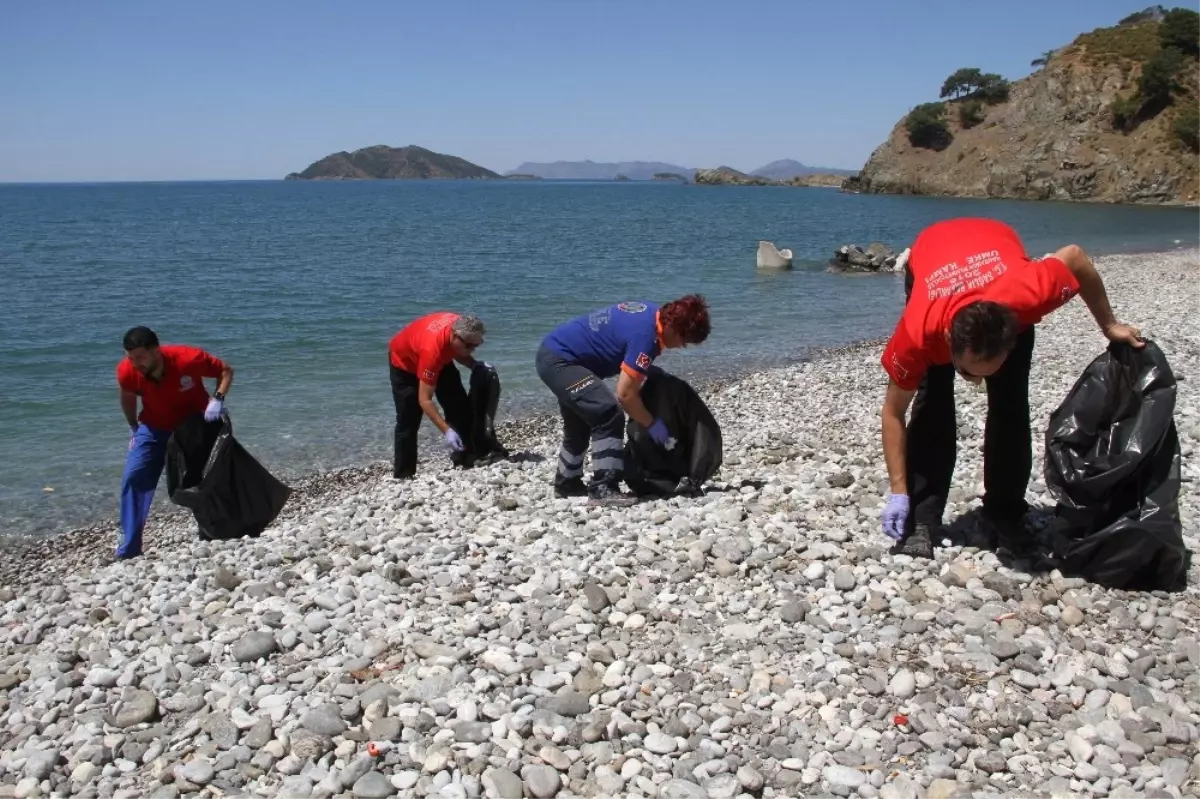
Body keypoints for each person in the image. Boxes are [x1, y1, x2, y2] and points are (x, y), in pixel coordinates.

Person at [878, 218, 1144, 558]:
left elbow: (1075, 258)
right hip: (932, 250)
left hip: (997, 252)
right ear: (948, 341)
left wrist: (1110, 325)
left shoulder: (1027, 297)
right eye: (968, 372)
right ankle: (922, 518)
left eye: (988, 371)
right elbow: (893, 412)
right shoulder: (919, 333)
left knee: (1010, 402)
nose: (975, 382)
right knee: (932, 403)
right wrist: (899, 492)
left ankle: (1005, 511)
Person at [536, 295, 711, 506]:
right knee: (608, 413)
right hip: (561, 361)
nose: (682, 346)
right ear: (674, 328)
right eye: (685, 341)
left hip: (554, 353)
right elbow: (626, 396)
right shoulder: (646, 338)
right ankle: (603, 487)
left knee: (579, 424)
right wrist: (655, 428)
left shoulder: (653, 314)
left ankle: (567, 483)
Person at [116, 326, 234, 559]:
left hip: (194, 425)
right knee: (134, 478)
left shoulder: (188, 359)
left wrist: (218, 399)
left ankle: (211, 532)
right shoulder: (127, 371)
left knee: (201, 480)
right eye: (131, 358)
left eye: (140, 357)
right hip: (153, 428)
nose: (136, 363)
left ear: (156, 351)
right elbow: (128, 398)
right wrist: (133, 427)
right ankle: (129, 549)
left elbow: (226, 371)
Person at [388, 312, 488, 479]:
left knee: (459, 406)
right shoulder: (432, 352)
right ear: (454, 336)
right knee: (409, 418)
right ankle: (403, 475)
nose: (472, 350)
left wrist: (474, 365)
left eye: (476, 346)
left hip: (440, 356)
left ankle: (465, 456)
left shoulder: (461, 325)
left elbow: (459, 351)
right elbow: (425, 400)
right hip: (404, 365)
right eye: (470, 346)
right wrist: (446, 430)